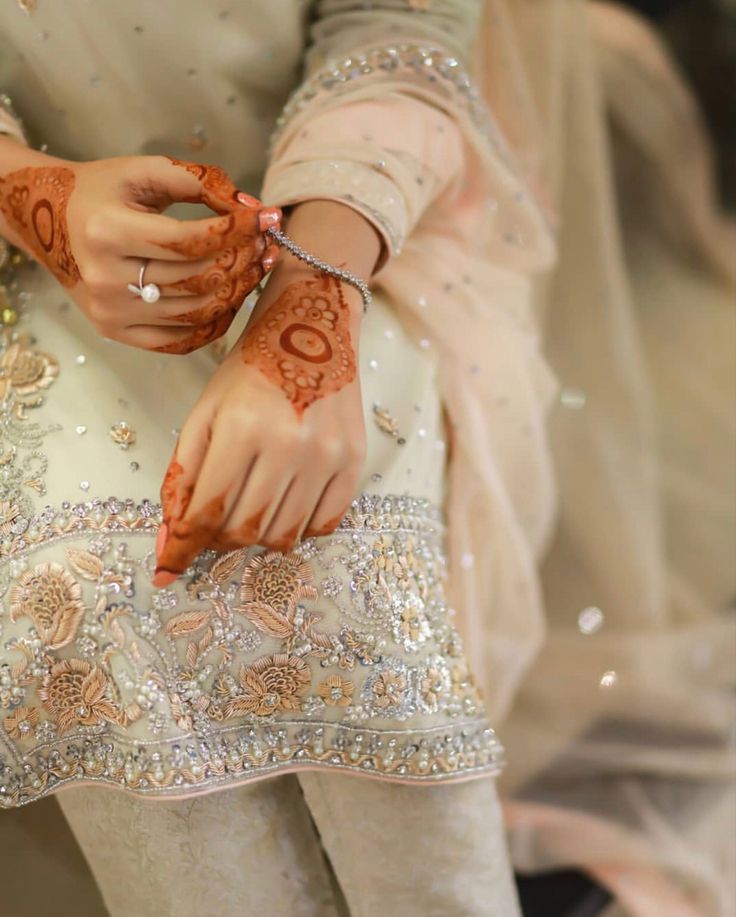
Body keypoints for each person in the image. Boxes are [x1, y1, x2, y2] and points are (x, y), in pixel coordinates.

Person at [0, 2, 546, 914]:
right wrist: (34, 196)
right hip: (29, 267)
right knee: (84, 592)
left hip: (345, 216)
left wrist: (312, 296)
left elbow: (396, 31)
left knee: (345, 566)